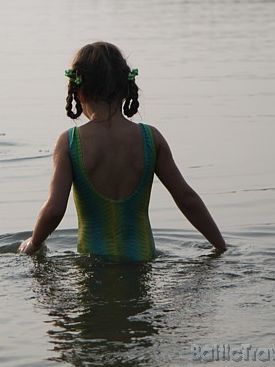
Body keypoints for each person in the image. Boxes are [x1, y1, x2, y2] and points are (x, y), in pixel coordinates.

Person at [19, 42, 226, 260]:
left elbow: (54, 210)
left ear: (79, 93)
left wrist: (33, 243)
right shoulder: (151, 139)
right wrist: (220, 247)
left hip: (94, 264)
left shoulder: (69, 143)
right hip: (143, 259)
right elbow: (187, 198)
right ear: (127, 89)